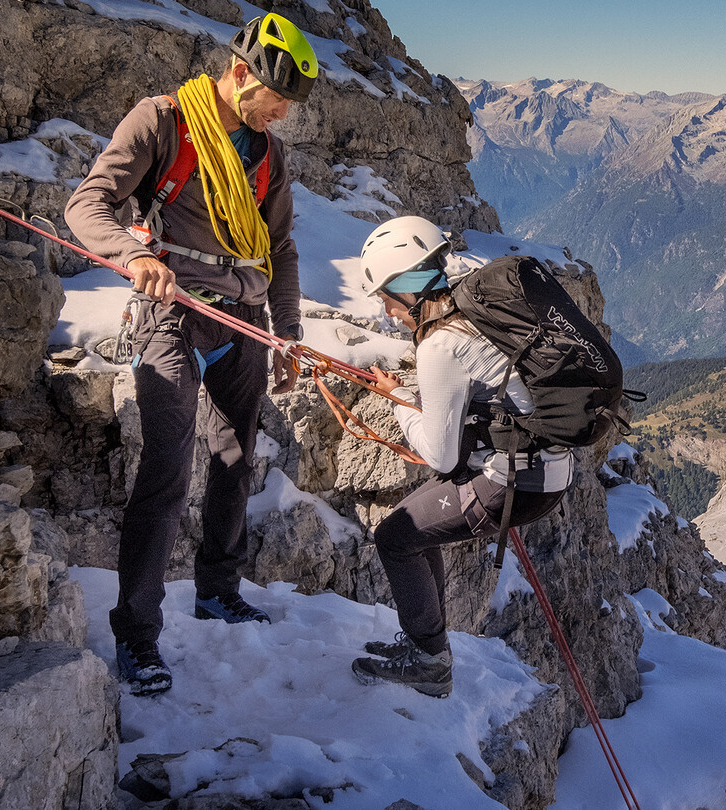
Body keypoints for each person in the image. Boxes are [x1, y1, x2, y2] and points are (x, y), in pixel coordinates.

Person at [63, 13, 320, 696]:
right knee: (168, 469)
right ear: (240, 74)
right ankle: (138, 635)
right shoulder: (163, 121)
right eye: (277, 97)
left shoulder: (269, 152)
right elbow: (87, 205)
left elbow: (281, 247)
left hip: (243, 315)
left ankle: (218, 590)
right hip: (173, 312)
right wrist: (136, 254)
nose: (283, 112)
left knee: (236, 458)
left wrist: (286, 332)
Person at [350, 216, 573, 699]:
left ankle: (430, 663)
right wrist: (410, 394)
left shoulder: (439, 345)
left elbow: (440, 457)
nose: (388, 312)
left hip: (516, 480)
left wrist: (396, 403)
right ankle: (426, 644)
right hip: (538, 465)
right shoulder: (472, 310)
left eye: (387, 298)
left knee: (394, 537)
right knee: (411, 524)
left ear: (407, 287)